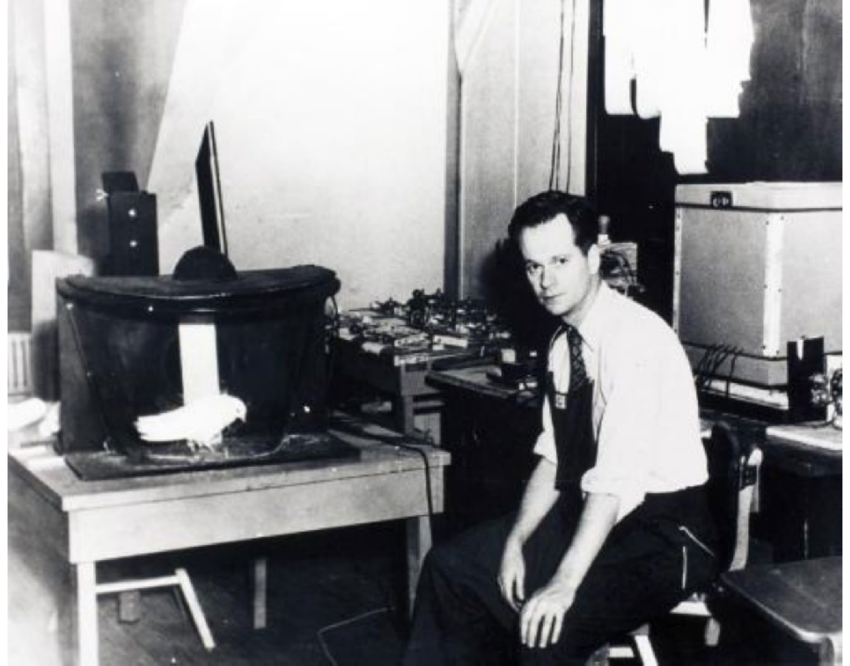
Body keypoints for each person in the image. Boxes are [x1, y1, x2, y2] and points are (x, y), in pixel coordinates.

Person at [403, 191, 719, 665]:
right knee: (452, 568)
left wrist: (562, 585)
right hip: (597, 514)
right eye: (533, 267)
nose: (545, 281)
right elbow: (554, 455)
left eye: (559, 261)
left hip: (666, 534)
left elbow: (614, 484)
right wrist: (516, 538)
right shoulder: (562, 344)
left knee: (547, 626)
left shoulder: (635, 340)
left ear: (593, 257)